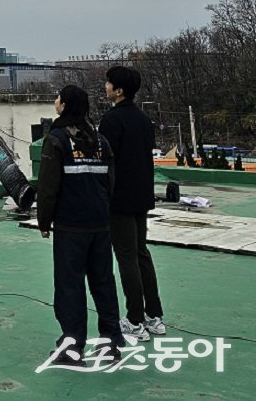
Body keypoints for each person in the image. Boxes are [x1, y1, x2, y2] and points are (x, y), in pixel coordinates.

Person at [37, 85, 123, 366]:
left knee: (70, 286)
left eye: (58, 97)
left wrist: (44, 220)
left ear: (64, 105)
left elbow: (48, 186)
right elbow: (110, 182)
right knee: (103, 283)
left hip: (70, 226)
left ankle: (72, 348)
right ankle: (110, 344)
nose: (55, 100)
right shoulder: (100, 141)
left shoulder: (57, 139)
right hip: (99, 224)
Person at [99, 65, 165, 342]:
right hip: (141, 195)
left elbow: (105, 162)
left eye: (108, 83)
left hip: (120, 198)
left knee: (126, 257)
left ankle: (135, 320)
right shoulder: (142, 120)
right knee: (141, 253)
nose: (105, 87)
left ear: (119, 90)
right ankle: (154, 316)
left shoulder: (112, 121)